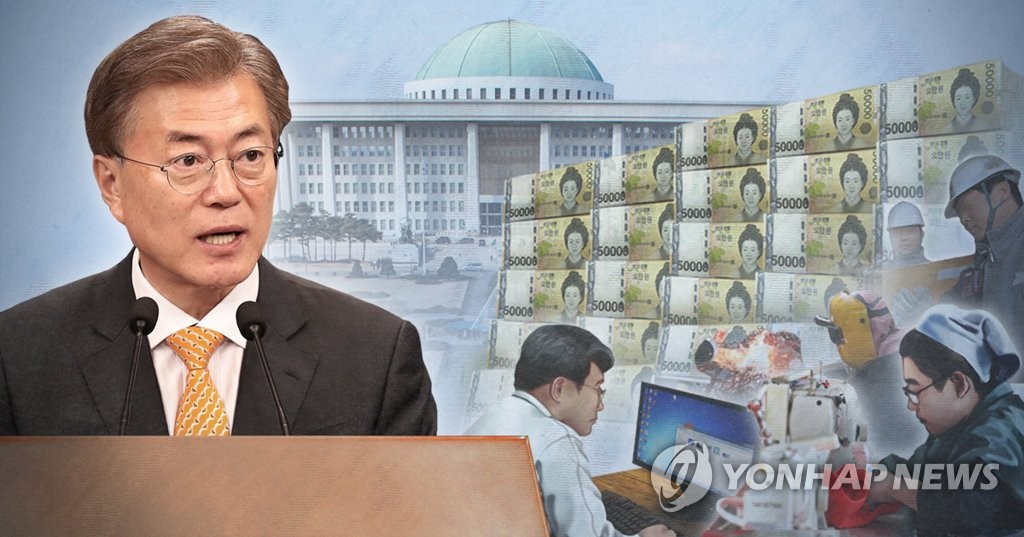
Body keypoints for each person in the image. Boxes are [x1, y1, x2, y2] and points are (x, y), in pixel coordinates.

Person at [0, 16, 436, 435]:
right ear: (112, 184)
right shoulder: (17, 359)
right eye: (188, 161)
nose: (226, 192)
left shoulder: (376, 356)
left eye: (251, 156)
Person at [466, 325, 675, 537]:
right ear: (559, 388)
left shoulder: (494, 415)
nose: (600, 405)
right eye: (597, 389)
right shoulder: (556, 441)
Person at [868, 305, 1024, 536]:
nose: (911, 405)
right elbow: (919, 470)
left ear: (959, 384)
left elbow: (967, 509)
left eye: (915, 391)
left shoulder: (1000, 434)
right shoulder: (959, 425)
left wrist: (895, 488)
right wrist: (870, 471)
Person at [944, 155, 1024, 359]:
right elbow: (950, 310)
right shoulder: (983, 260)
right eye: (959, 212)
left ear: (1002, 192)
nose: (963, 219)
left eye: (966, 205)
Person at [945, 68, 993, 134]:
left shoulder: (983, 126)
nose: (962, 103)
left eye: (967, 97)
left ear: (974, 99)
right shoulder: (946, 129)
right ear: (953, 100)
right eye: (958, 98)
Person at [885, 201, 930, 267]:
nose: (904, 238)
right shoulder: (878, 271)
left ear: (922, 234)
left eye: (910, 231)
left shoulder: (937, 270)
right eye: (898, 233)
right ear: (890, 237)